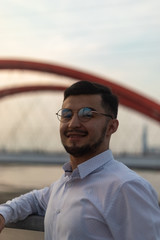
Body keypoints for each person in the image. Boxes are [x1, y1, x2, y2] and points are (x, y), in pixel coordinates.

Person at [0, 80, 160, 239]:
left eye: (87, 114)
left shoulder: (126, 188)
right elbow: (35, 200)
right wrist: (4, 213)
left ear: (112, 127)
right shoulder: (65, 184)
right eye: (66, 115)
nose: (73, 124)